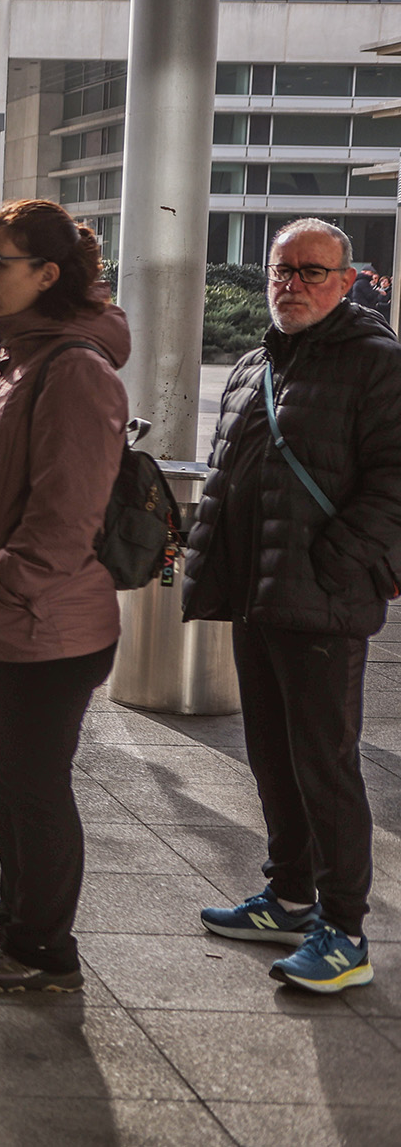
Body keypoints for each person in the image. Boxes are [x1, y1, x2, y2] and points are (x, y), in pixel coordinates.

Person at [185, 218, 401, 995]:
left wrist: (335, 563)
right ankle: (287, 894)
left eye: (313, 272)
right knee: (272, 755)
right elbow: (228, 475)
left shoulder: (376, 363)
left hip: (324, 599)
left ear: (348, 281)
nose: (293, 284)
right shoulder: (253, 364)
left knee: (326, 764)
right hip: (259, 595)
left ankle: (343, 930)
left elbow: (393, 485)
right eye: (283, 270)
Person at [0, 198, 129, 994]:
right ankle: (14, 925)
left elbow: (64, 515)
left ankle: (45, 950)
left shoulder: (73, 368)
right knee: (9, 784)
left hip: (40, 624)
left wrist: (0, 581)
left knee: (35, 789)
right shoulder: (5, 357)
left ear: (48, 274)